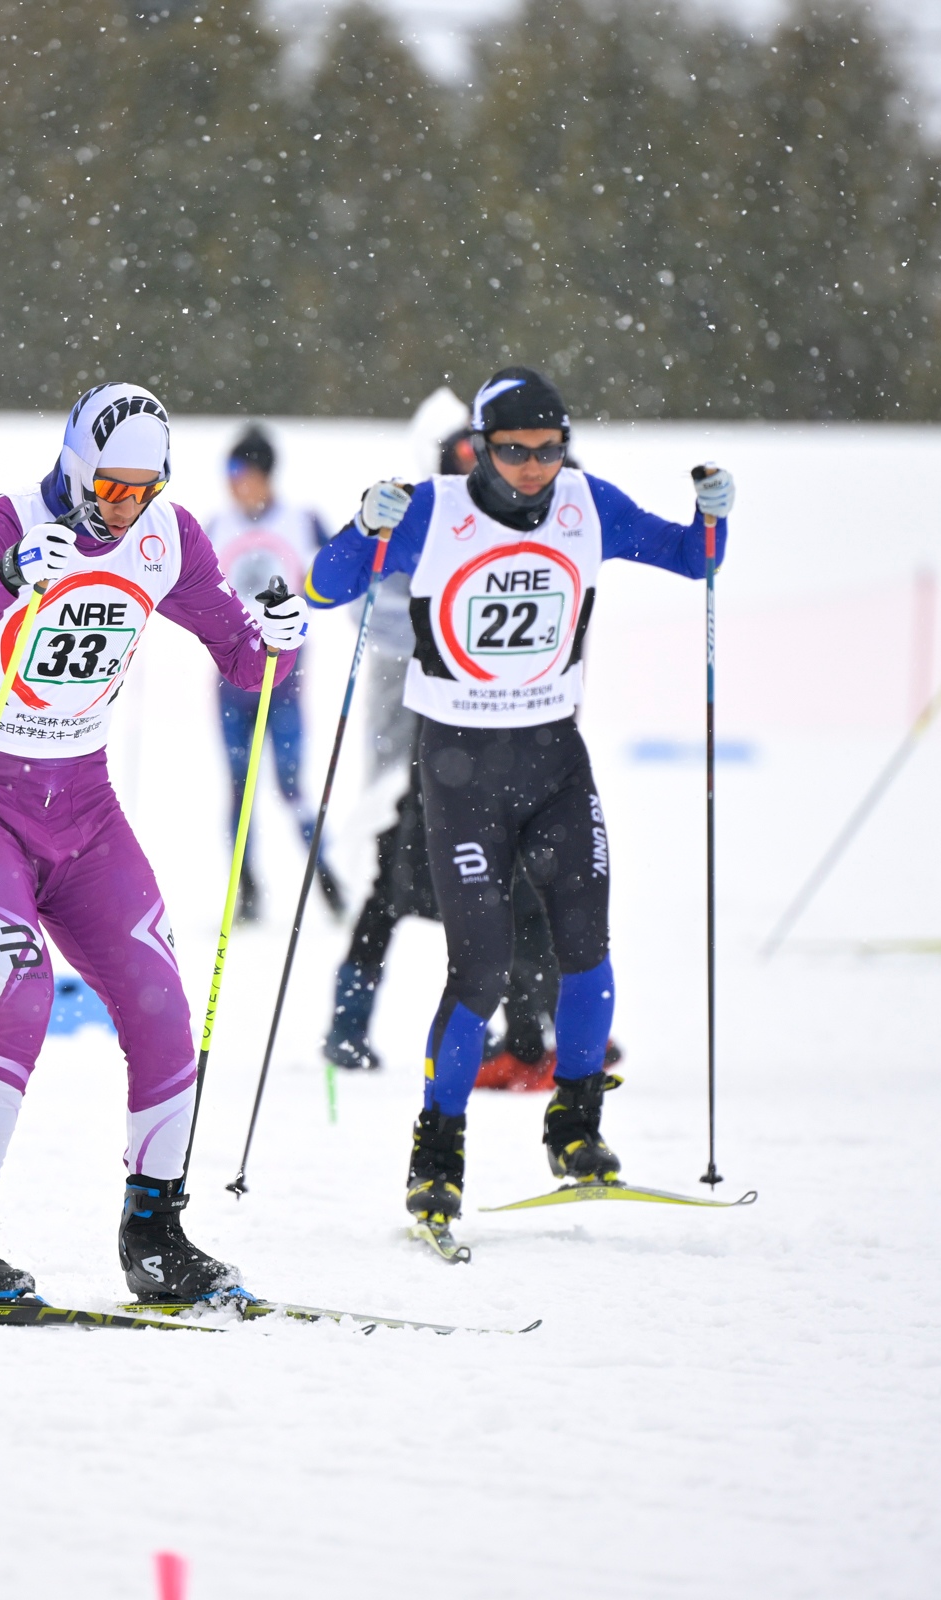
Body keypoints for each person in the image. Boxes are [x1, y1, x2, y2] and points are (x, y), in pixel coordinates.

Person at [0, 382, 304, 1307]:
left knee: (164, 1007)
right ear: (76, 467)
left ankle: (155, 1237)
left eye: (145, 489)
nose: (125, 508)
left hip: (83, 807)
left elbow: (244, 658)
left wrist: (279, 638)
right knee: (23, 995)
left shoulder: (169, 536)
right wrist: (7, 578)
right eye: (111, 488)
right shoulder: (7, 521)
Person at [304, 367, 731, 1235]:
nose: (534, 467)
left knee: (587, 948)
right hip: (458, 766)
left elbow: (694, 560)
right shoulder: (432, 510)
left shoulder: (587, 502)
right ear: (479, 448)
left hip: (553, 760)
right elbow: (322, 586)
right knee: (481, 967)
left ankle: (576, 1125)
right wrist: (364, 526)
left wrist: (714, 518)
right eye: (513, 451)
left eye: (549, 449)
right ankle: (438, 1154)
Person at [205, 425, 340, 920]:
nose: (233, 483)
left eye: (240, 472)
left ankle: (327, 879)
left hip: (284, 679)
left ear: (263, 475)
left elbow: (340, 573)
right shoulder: (217, 525)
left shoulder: (301, 522)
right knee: (240, 786)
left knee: (291, 783)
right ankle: (246, 889)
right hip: (231, 679)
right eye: (229, 473)